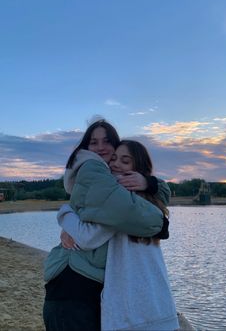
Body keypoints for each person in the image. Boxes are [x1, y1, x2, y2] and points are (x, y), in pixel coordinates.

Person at [43, 120, 167, 331]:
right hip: (74, 286)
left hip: (87, 287)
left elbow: (161, 194)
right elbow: (96, 232)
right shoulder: (92, 168)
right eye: (94, 142)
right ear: (85, 147)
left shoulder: (113, 180)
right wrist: (162, 225)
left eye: (107, 142)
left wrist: (150, 182)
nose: (101, 147)